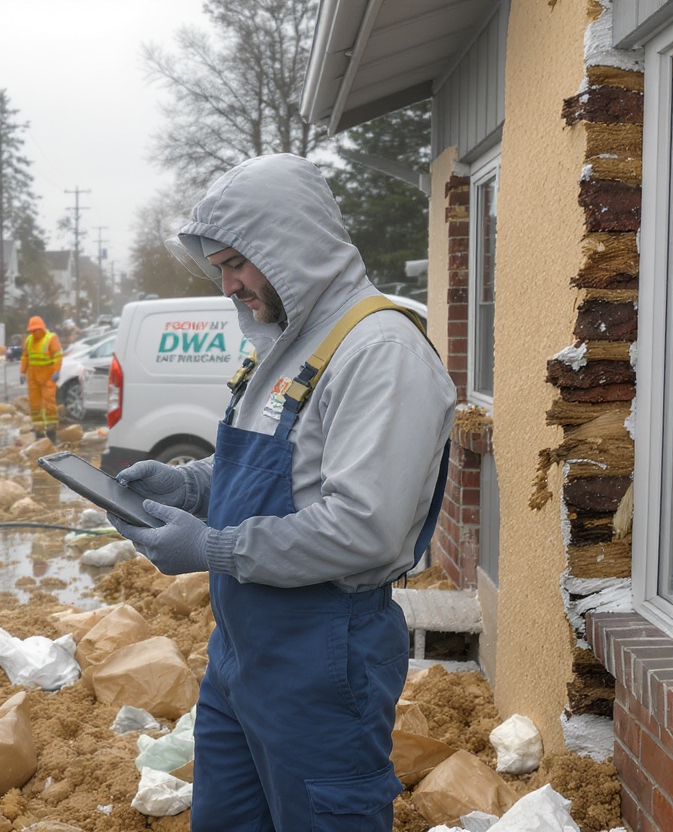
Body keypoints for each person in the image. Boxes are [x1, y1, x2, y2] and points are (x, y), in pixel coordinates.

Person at [107, 154, 456, 831]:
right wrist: (189, 485)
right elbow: (278, 476)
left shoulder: (378, 351)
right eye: (219, 267)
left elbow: (364, 528)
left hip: (324, 657)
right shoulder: (282, 345)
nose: (229, 283)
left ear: (288, 244)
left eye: (238, 261)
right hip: (242, 655)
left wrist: (213, 547)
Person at [19, 316, 62, 442]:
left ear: (42, 328)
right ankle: (38, 431)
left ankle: (51, 431)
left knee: (49, 404)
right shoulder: (29, 341)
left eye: (35, 330)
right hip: (33, 376)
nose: (33, 333)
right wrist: (22, 372)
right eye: (31, 331)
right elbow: (25, 357)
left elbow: (58, 355)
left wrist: (57, 370)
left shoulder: (51, 339)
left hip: (48, 376)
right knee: (35, 404)